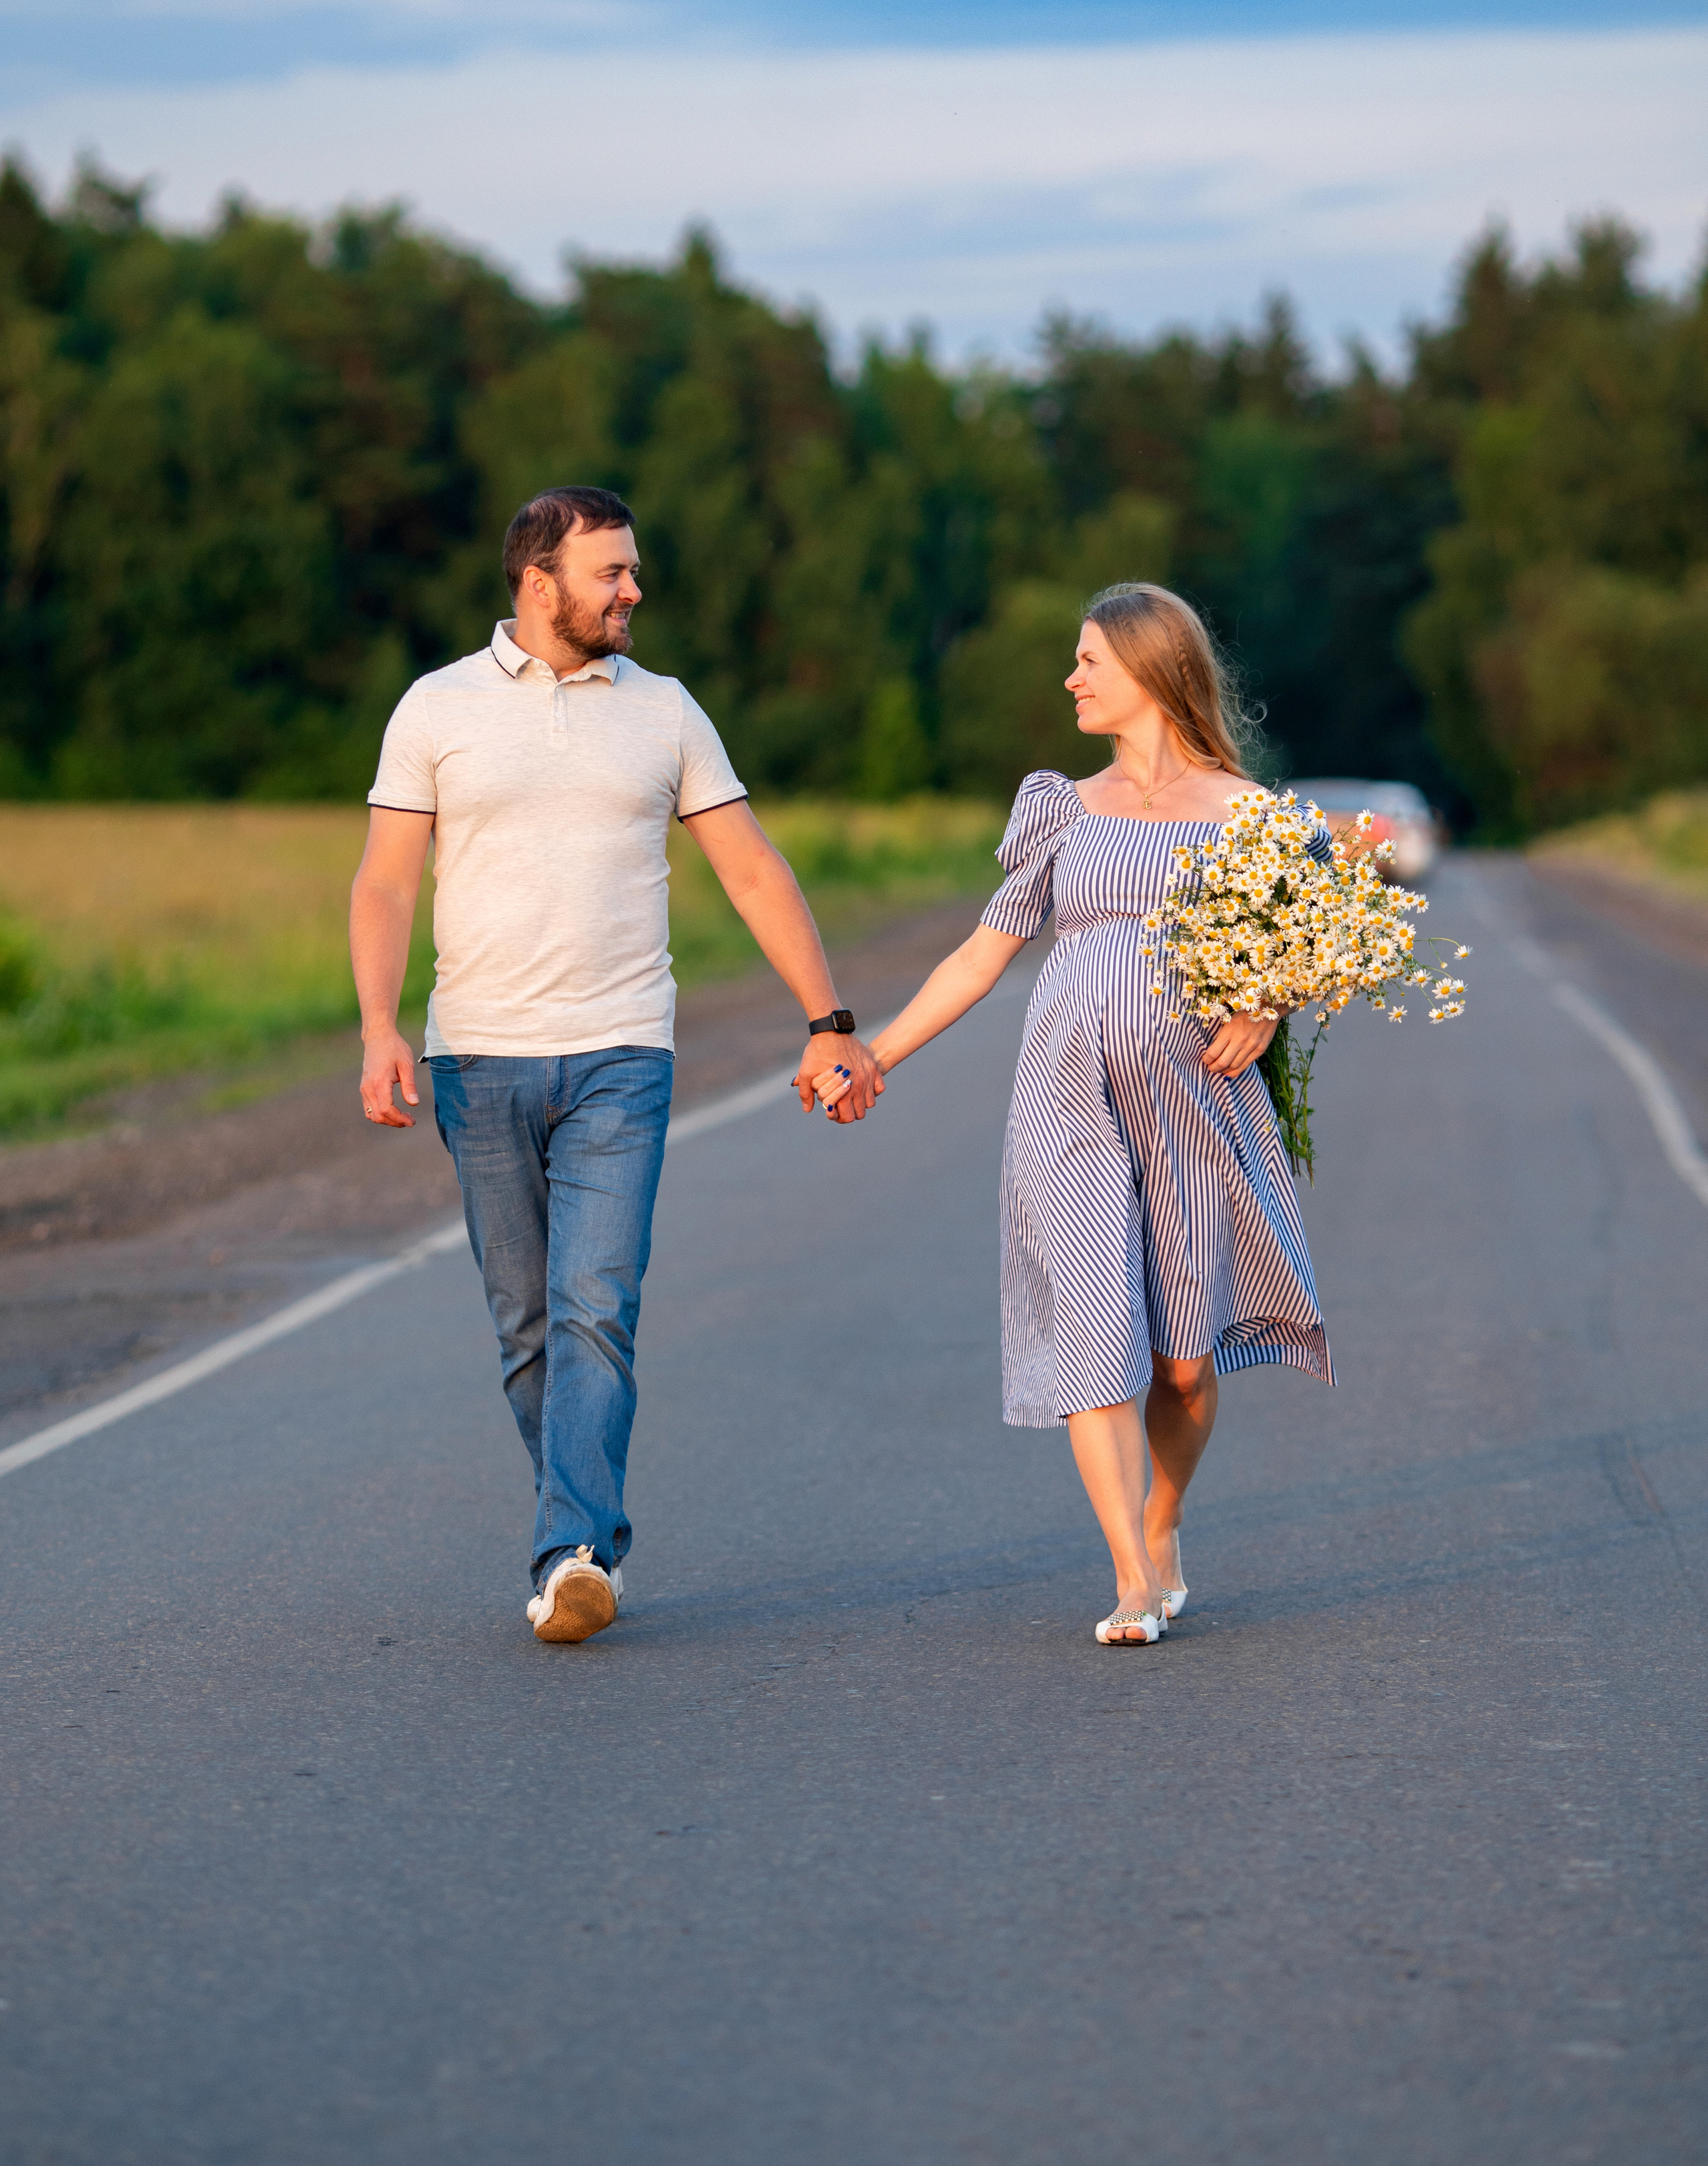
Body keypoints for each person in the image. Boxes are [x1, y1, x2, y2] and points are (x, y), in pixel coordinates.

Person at [350, 486, 883, 1644]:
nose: (634, 591)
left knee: (598, 1309)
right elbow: (388, 879)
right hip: (477, 1059)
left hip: (622, 1056)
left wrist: (828, 1016)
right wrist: (378, 1026)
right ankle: (577, 1524)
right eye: (613, 574)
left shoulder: (668, 712)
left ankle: (575, 1551)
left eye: (633, 571)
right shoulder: (435, 708)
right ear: (541, 583)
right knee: (529, 1324)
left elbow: (749, 866)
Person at [813, 582, 1334, 1644]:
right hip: (1065, 1095)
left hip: (1194, 1098)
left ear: (1150, 669)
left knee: (1183, 1364)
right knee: (1098, 1334)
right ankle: (1132, 1576)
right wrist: (878, 1055)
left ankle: (1165, 1517)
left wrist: (1270, 1003)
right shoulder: (1060, 805)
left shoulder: (1251, 813)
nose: (1072, 678)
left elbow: (1322, 941)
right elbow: (981, 955)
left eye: (1089, 659)